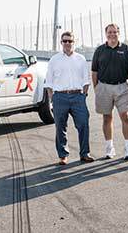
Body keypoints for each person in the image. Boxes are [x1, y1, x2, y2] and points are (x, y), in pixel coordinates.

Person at [45, 31, 94, 165]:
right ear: (61, 43)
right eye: (65, 41)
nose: (67, 43)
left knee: (83, 124)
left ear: (74, 42)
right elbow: (49, 82)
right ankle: (63, 155)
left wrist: (83, 96)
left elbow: (86, 80)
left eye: (70, 41)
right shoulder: (54, 60)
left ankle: (85, 153)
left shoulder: (81, 59)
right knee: (60, 127)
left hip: (78, 96)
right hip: (60, 97)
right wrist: (52, 99)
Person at [91, 23, 128, 160]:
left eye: (114, 32)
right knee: (107, 118)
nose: (112, 34)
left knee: (125, 116)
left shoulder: (126, 49)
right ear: (106, 34)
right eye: (109, 32)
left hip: (122, 87)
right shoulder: (100, 50)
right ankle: (109, 148)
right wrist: (96, 87)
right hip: (104, 87)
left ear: (118, 33)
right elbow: (94, 71)